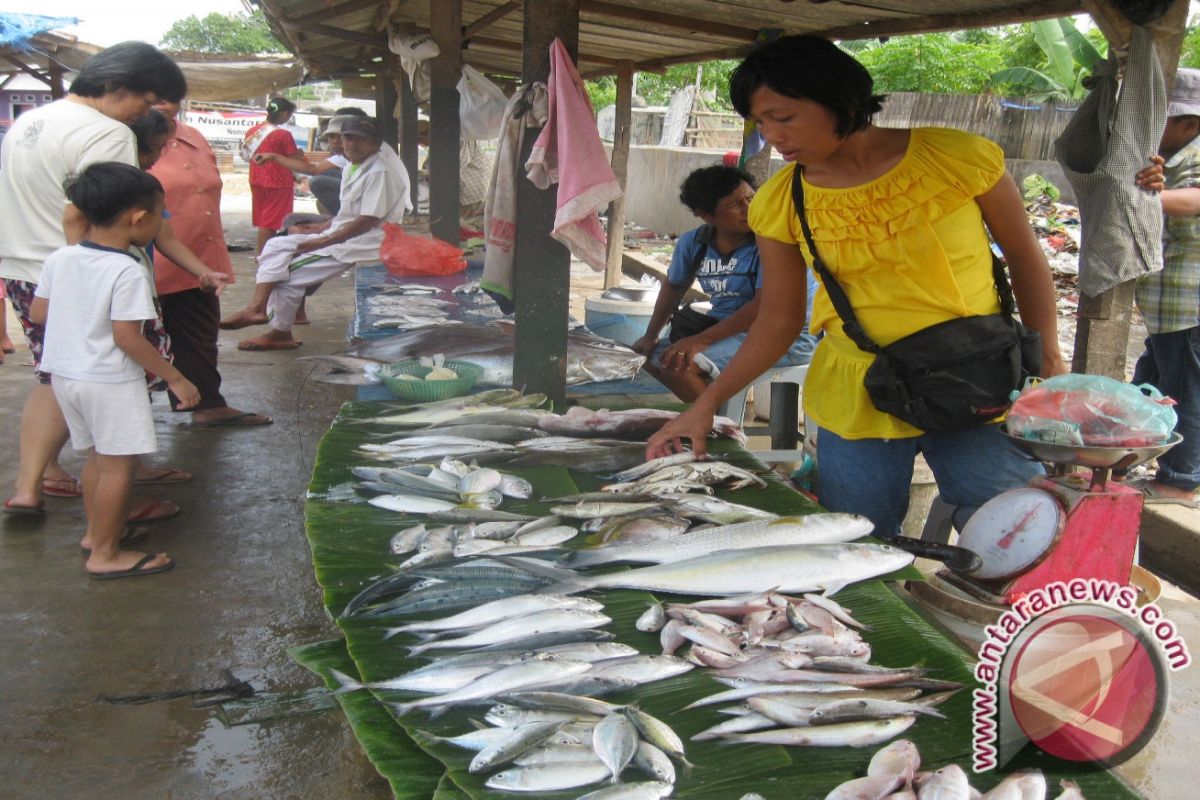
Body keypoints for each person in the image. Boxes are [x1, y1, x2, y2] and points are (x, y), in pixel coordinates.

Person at [646, 36, 1065, 538]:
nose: (772, 136)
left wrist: (1051, 357)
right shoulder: (782, 200)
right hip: (859, 392)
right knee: (859, 540)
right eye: (761, 122)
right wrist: (705, 405)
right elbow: (779, 319)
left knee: (1017, 532)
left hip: (976, 379)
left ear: (837, 98)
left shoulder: (955, 157)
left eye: (784, 116)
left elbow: (1024, 257)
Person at [0, 42, 222, 518]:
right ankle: (115, 495)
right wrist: (93, 261)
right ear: (119, 86)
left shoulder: (31, 121)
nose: (145, 115)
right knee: (110, 384)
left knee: (55, 375)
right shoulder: (105, 133)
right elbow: (84, 212)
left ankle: (31, 485)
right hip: (84, 279)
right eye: (147, 103)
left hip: (26, 269)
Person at [33, 163, 197, 577]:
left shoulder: (62, 256)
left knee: (97, 460)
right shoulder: (127, 269)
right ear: (138, 218)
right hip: (109, 380)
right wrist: (175, 378)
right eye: (161, 215)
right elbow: (128, 337)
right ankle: (104, 554)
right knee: (119, 468)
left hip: (67, 376)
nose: (161, 224)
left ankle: (97, 534)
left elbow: (39, 313)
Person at [220, 116, 411, 350]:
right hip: (346, 234)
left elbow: (367, 220)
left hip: (365, 242)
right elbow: (351, 213)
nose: (351, 144)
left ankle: (279, 332)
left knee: (289, 277)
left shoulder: (380, 171)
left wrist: (324, 240)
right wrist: (322, 227)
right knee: (276, 245)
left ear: (375, 144)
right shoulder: (356, 164)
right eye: (348, 138)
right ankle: (257, 308)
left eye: (360, 139)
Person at [631, 165, 817, 402]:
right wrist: (650, 336)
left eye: (751, 198)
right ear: (706, 215)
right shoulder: (694, 243)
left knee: (681, 367)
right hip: (730, 330)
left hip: (785, 337)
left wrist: (701, 340)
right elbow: (673, 287)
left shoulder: (773, 242)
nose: (748, 208)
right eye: (735, 205)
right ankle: (714, 413)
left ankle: (713, 429)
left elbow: (763, 306)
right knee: (648, 358)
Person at [149, 98, 272, 427]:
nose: (162, 104)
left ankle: (206, 403)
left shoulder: (193, 136)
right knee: (144, 339)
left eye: (169, 97)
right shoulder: (124, 138)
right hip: (153, 258)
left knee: (199, 335)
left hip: (199, 256)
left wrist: (204, 268)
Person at [1130, 67, 1200, 507]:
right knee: (1147, 387)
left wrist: (1145, 198)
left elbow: (1193, 201)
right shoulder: (1170, 159)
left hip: (1189, 306)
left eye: (1162, 118)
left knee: (1187, 391)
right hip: (1166, 308)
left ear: (1189, 124)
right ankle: (1119, 458)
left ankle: (1181, 480)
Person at [244, 96, 301, 257]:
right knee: (270, 221)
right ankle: (263, 255)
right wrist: (300, 155)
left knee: (263, 218)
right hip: (279, 180)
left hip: (256, 178)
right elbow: (293, 158)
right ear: (284, 114)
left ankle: (263, 254)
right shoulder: (283, 134)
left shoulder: (252, 131)